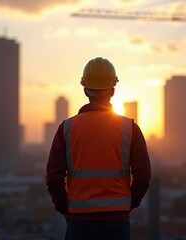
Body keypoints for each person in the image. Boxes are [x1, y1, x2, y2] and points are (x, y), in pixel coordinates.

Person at [46, 57, 151, 240]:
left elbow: (54, 177)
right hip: (116, 222)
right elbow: (143, 176)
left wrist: (65, 209)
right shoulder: (129, 128)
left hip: (79, 222)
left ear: (85, 89)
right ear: (113, 90)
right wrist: (128, 205)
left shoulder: (67, 128)